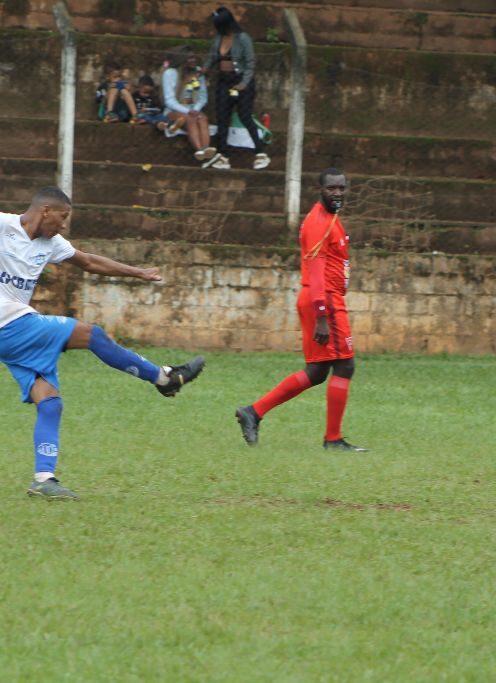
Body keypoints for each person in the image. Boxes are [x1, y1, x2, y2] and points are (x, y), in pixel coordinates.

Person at [0, 186, 205, 499]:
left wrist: (137, 272)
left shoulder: (51, 242)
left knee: (51, 403)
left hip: (8, 336)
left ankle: (44, 479)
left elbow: (89, 262)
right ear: (45, 211)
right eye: (63, 217)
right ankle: (163, 378)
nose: (65, 225)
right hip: (9, 325)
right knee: (92, 335)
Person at [235, 168, 366, 451]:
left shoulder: (330, 218)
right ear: (320, 189)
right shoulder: (319, 222)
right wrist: (322, 315)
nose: (338, 193)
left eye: (342, 188)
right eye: (332, 188)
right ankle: (333, 440)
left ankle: (253, 412)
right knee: (345, 365)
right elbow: (317, 271)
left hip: (324, 300)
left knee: (318, 372)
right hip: (325, 301)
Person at [202, 6, 269, 171]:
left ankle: (260, 152)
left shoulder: (243, 38)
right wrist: (205, 68)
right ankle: (224, 155)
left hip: (241, 81)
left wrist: (243, 84)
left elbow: (251, 64)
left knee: (245, 116)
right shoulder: (218, 38)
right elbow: (212, 57)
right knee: (222, 118)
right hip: (224, 81)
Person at [161, 45, 215, 162]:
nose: (193, 60)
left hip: (193, 109)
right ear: (181, 60)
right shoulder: (170, 73)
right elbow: (169, 100)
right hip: (174, 111)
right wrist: (187, 111)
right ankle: (199, 150)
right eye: (189, 58)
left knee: (202, 118)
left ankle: (206, 149)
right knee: (190, 119)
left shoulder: (198, 73)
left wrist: (196, 109)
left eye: (193, 57)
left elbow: (202, 97)